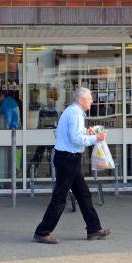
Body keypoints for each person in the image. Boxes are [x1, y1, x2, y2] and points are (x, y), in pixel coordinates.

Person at [33, 87, 110, 243]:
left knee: (83, 195)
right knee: (60, 198)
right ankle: (42, 232)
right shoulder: (75, 113)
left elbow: (73, 133)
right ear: (81, 100)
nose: (92, 101)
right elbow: (75, 139)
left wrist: (86, 132)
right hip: (68, 159)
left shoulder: (72, 111)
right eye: (89, 99)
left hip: (68, 158)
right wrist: (96, 138)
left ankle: (94, 229)